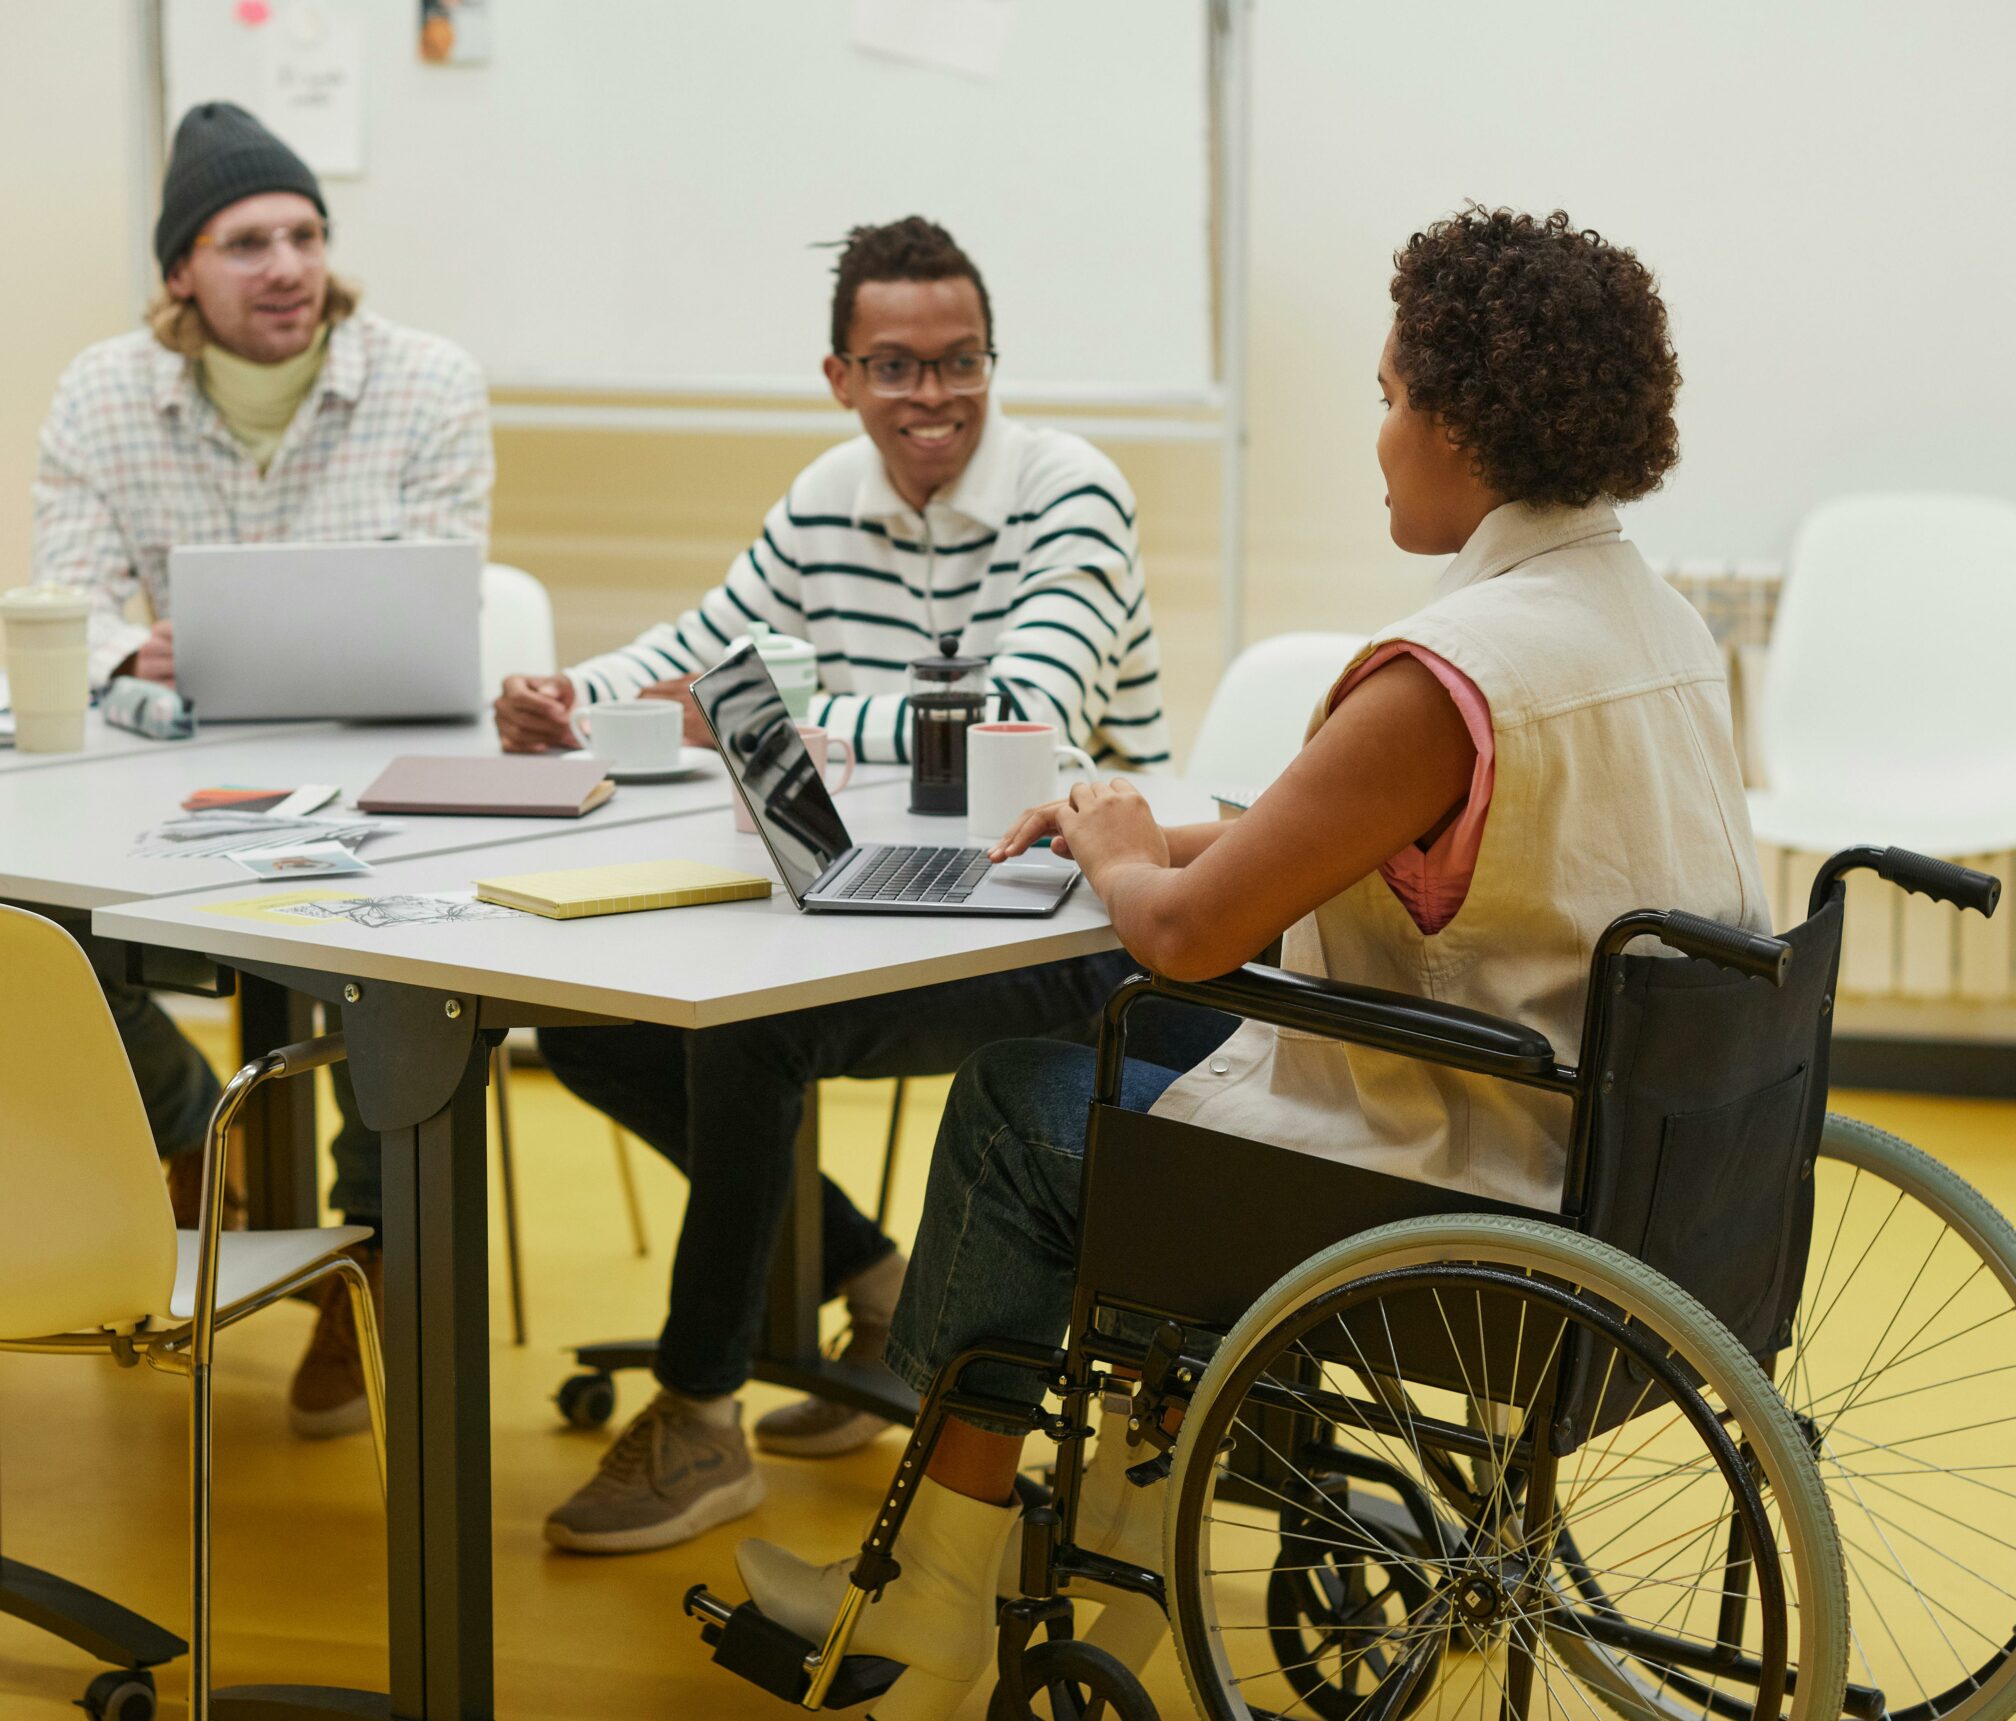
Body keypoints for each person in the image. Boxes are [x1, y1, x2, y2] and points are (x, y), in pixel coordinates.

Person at [733, 206, 1758, 1719]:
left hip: (1463, 1184)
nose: (1379, 436)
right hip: (1628, 1166)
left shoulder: (1450, 675)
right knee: (1159, 1075)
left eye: (1388, 398)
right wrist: (1169, 831)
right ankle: (1132, 1495)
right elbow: (1377, 841)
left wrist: (1114, 850)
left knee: (1022, 1106)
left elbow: (1183, 936)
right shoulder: (1644, 620)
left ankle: (932, 1600)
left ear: (1461, 422)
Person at [492, 217, 1205, 1556]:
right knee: (589, 1027)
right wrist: (570, 695)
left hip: (1076, 917)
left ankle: (701, 1411)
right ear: (840, 377)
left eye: (960, 360)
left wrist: (775, 717)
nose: (932, 394)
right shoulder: (829, 494)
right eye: (894, 365)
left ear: (991, 361)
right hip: (901, 893)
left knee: (749, 1032)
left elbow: (1020, 719)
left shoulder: (1072, 490)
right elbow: (709, 640)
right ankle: (871, 1277)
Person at [32, 101, 492, 1440]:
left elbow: (439, 599)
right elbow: (71, 601)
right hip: (167, 786)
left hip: (379, 781)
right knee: (31, 924)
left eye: (305, 234)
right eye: (246, 243)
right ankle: (189, 1139)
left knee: (397, 964)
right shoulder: (103, 392)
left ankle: (373, 1254)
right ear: (183, 270)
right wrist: (129, 646)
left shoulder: (428, 380)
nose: (286, 266)